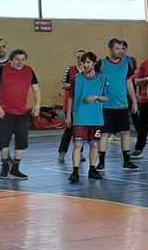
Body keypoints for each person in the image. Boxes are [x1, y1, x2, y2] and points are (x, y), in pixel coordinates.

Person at [0, 48, 39, 180]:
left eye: (22, 60)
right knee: (3, 141)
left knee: (21, 141)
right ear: (11, 60)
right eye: (17, 60)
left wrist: (37, 104)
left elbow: (36, 89)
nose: (20, 62)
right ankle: (5, 167)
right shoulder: (2, 70)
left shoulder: (29, 70)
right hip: (4, 113)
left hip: (22, 113)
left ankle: (15, 168)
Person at [68, 52, 108, 183]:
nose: (85, 65)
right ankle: (75, 172)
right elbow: (70, 97)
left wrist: (96, 97)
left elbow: (106, 98)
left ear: (94, 63)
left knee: (94, 145)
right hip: (80, 117)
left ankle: (92, 169)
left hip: (96, 118)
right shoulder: (76, 79)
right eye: (83, 63)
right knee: (78, 145)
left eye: (88, 62)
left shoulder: (102, 79)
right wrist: (68, 115)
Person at [98, 38, 137, 170]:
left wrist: (134, 101)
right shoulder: (101, 64)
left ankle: (127, 161)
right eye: (117, 48)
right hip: (105, 106)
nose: (120, 51)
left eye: (121, 49)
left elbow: (129, 83)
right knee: (104, 134)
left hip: (122, 105)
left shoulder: (126, 64)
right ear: (110, 49)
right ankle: (101, 162)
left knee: (125, 133)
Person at [57, 48, 85, 162]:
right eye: (78, 57)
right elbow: (64, 85)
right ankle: (62, 153)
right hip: (70, 104)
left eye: (82, 57)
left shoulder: (89, 71)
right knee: (69, 129)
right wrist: (75, 84)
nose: (80, 59)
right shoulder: (70, 69)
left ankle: (80, 153)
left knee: (81, 130)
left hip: (83, 106)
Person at [131, 48, 148, 158]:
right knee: (143, 126)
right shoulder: (145, 64)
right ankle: (139, 148)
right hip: (145, 99)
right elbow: (136, 81)